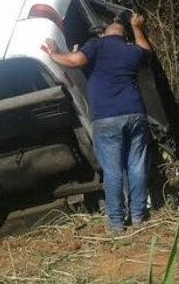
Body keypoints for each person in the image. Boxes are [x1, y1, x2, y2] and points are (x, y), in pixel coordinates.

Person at [44, 12, 151, 233]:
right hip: (135, 114)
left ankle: (116, 223)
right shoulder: (132, 50)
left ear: (103, 33)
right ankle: (139, 218)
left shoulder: (97, 45)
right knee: (136, 167)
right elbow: (146, 53)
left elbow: (76, 61)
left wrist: (55, 54)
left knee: (113, 171)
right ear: (125, 35)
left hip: (107, 118)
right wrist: (138, 28)